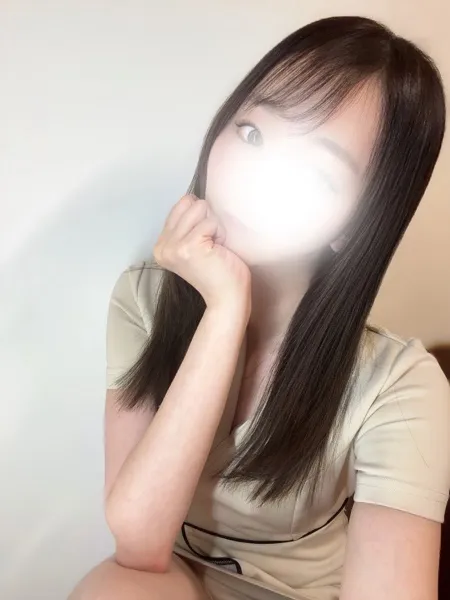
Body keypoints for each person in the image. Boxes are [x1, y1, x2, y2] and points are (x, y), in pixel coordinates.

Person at [69, 15, 450, 600]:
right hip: (170, 577)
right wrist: (225, 312)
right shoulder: (144, 298)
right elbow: (139, 544)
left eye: (316, 173)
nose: (251, 177)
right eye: (252, 133)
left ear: (359, 224)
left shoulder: (400, 386)